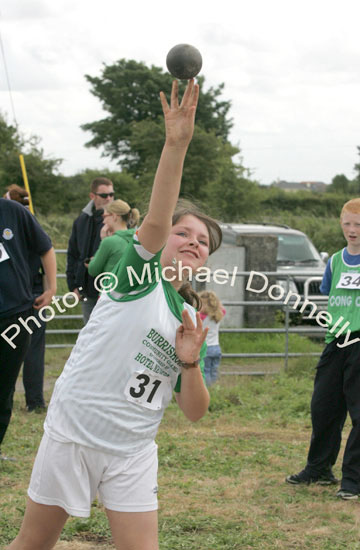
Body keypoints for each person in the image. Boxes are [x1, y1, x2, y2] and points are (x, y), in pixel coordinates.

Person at [9, 79, 222, 550]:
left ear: (207, 259)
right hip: (75, 433)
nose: (193, 242)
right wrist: (175, 144)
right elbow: (159, 218)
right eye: (183, 233)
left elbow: (194, 412)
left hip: (132, 449)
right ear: (163, 238)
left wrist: (190, 362)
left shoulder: (190, 316)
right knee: (33, 544)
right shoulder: (136, 274)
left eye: (203, 242)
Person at [286, 198, 360, 500]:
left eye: (358, 224)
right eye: (347, 223)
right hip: (336, 341)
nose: (352, 230)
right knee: (324, 408)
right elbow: (328, 292)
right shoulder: (335, 261)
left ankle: (353, 480)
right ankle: (319, 469)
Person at [0, 198, 57, 459]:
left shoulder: (12, 211)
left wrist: (52, 288)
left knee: (4, 389)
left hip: (15, 316)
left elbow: (46, 248)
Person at [3, 185, 48, 412]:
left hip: (25, 299)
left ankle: (32, 400)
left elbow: (45, 251)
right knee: (33, 350)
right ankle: (35, 401)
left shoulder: (17, 221)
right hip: (29, 295)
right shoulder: (28, 221)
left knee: (29, 351)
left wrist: (48, 290)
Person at [66, 177, 115, 323]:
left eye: (112, 194)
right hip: (87, 289)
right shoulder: (81, 220)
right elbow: (73, 254)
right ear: (92, 196)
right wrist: (73, 286)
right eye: (104, 195)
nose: (109, 198)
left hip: (111, 290)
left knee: (110, 333)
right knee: (89, 332)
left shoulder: (118, 220)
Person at [87, 199, 140, 278]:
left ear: (114, 216)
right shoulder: (137, 238)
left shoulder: (109, 242)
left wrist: (104, 241)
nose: (103, 221)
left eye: (105, 216)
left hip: (112, 288)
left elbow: (93, 270)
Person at [198, 290, 226, 386]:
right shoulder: (218, 315)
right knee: (214, 370)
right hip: (216, 348)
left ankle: (208, 389)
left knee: (205, 371)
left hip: (205, 348)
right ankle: (215, 387)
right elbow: (222, 309)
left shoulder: (200, 317)